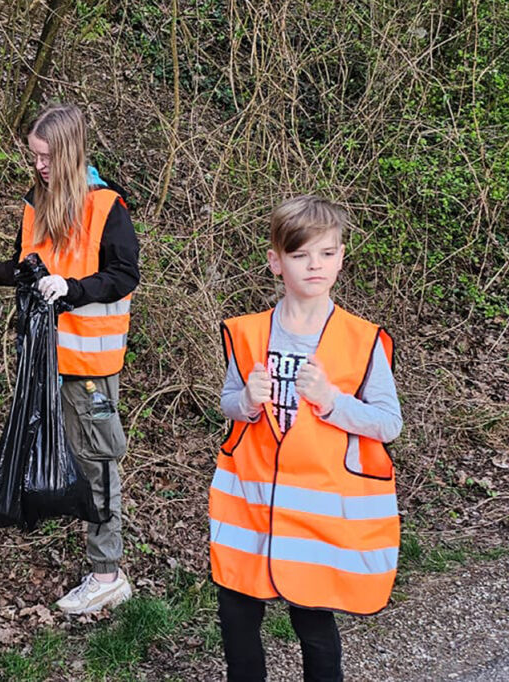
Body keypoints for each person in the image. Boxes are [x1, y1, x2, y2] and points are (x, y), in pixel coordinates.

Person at [211, 196, 403, 681]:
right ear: (276, 262)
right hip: (248, 510)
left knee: (314, 629)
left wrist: (333, 401)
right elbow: (228, 402)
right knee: (237, 622)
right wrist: (246, 403)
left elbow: (388, 423)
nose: (315, 265)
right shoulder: (249, 332)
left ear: (342, 257)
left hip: (315, 523)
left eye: (327, 253)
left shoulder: (361, 340)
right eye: (300, 255)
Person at [0, 103, 140, 615]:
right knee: (48, 440)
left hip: (91, 369)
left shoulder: (107, 206)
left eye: (45, 156)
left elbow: (125, 275)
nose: (37, 165)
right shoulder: (37, 200)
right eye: (33, 155)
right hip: (45, 359)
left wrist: (74, 289)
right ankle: (27, 501)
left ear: (68, 152)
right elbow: (28, 268)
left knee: (100, 460)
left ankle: (108, 572)